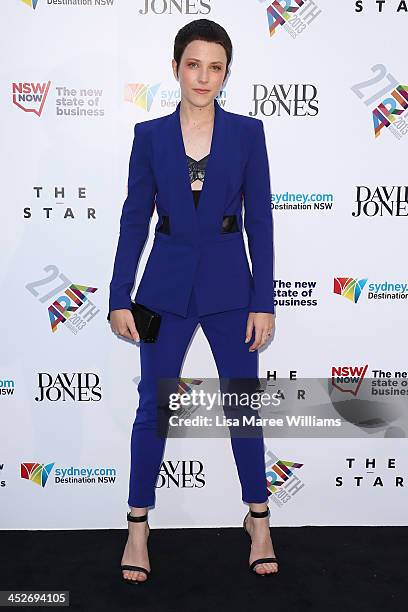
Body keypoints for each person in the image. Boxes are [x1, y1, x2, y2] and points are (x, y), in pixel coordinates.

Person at [108, 18, 278, 583]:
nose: (203, 77)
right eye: (193, 64)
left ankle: (258, 521)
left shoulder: (248, 134)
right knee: (151, 409)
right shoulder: (149, 136)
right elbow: (135, 221)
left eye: (215, 67)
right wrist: (117, 295)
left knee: (243, 408)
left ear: (226, 73)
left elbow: (262, 221)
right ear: (175, 66)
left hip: (232, 289)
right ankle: (138, 528)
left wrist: (264, 300)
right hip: (160, 291)